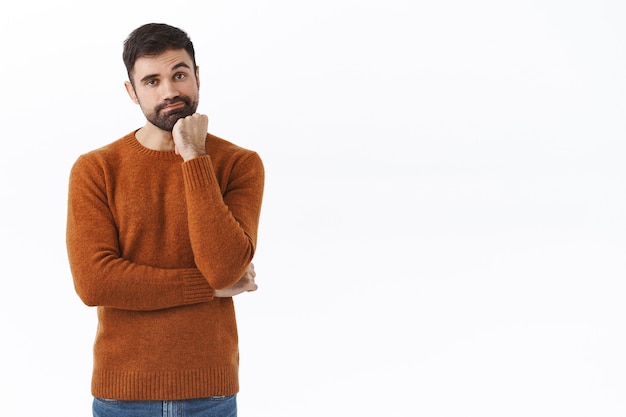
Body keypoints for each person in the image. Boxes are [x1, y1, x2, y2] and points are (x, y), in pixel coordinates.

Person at [66, 23, 264, 417]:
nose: (170, 91)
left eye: (179, 75)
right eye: (152, 81)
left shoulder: (239, 165)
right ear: (132, 91)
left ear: (197, 76)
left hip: (210, 392)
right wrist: (208, 288)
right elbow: (94, 282)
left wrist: (193, 155)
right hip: (122, 394)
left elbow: (224, 266)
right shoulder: (96, 169)